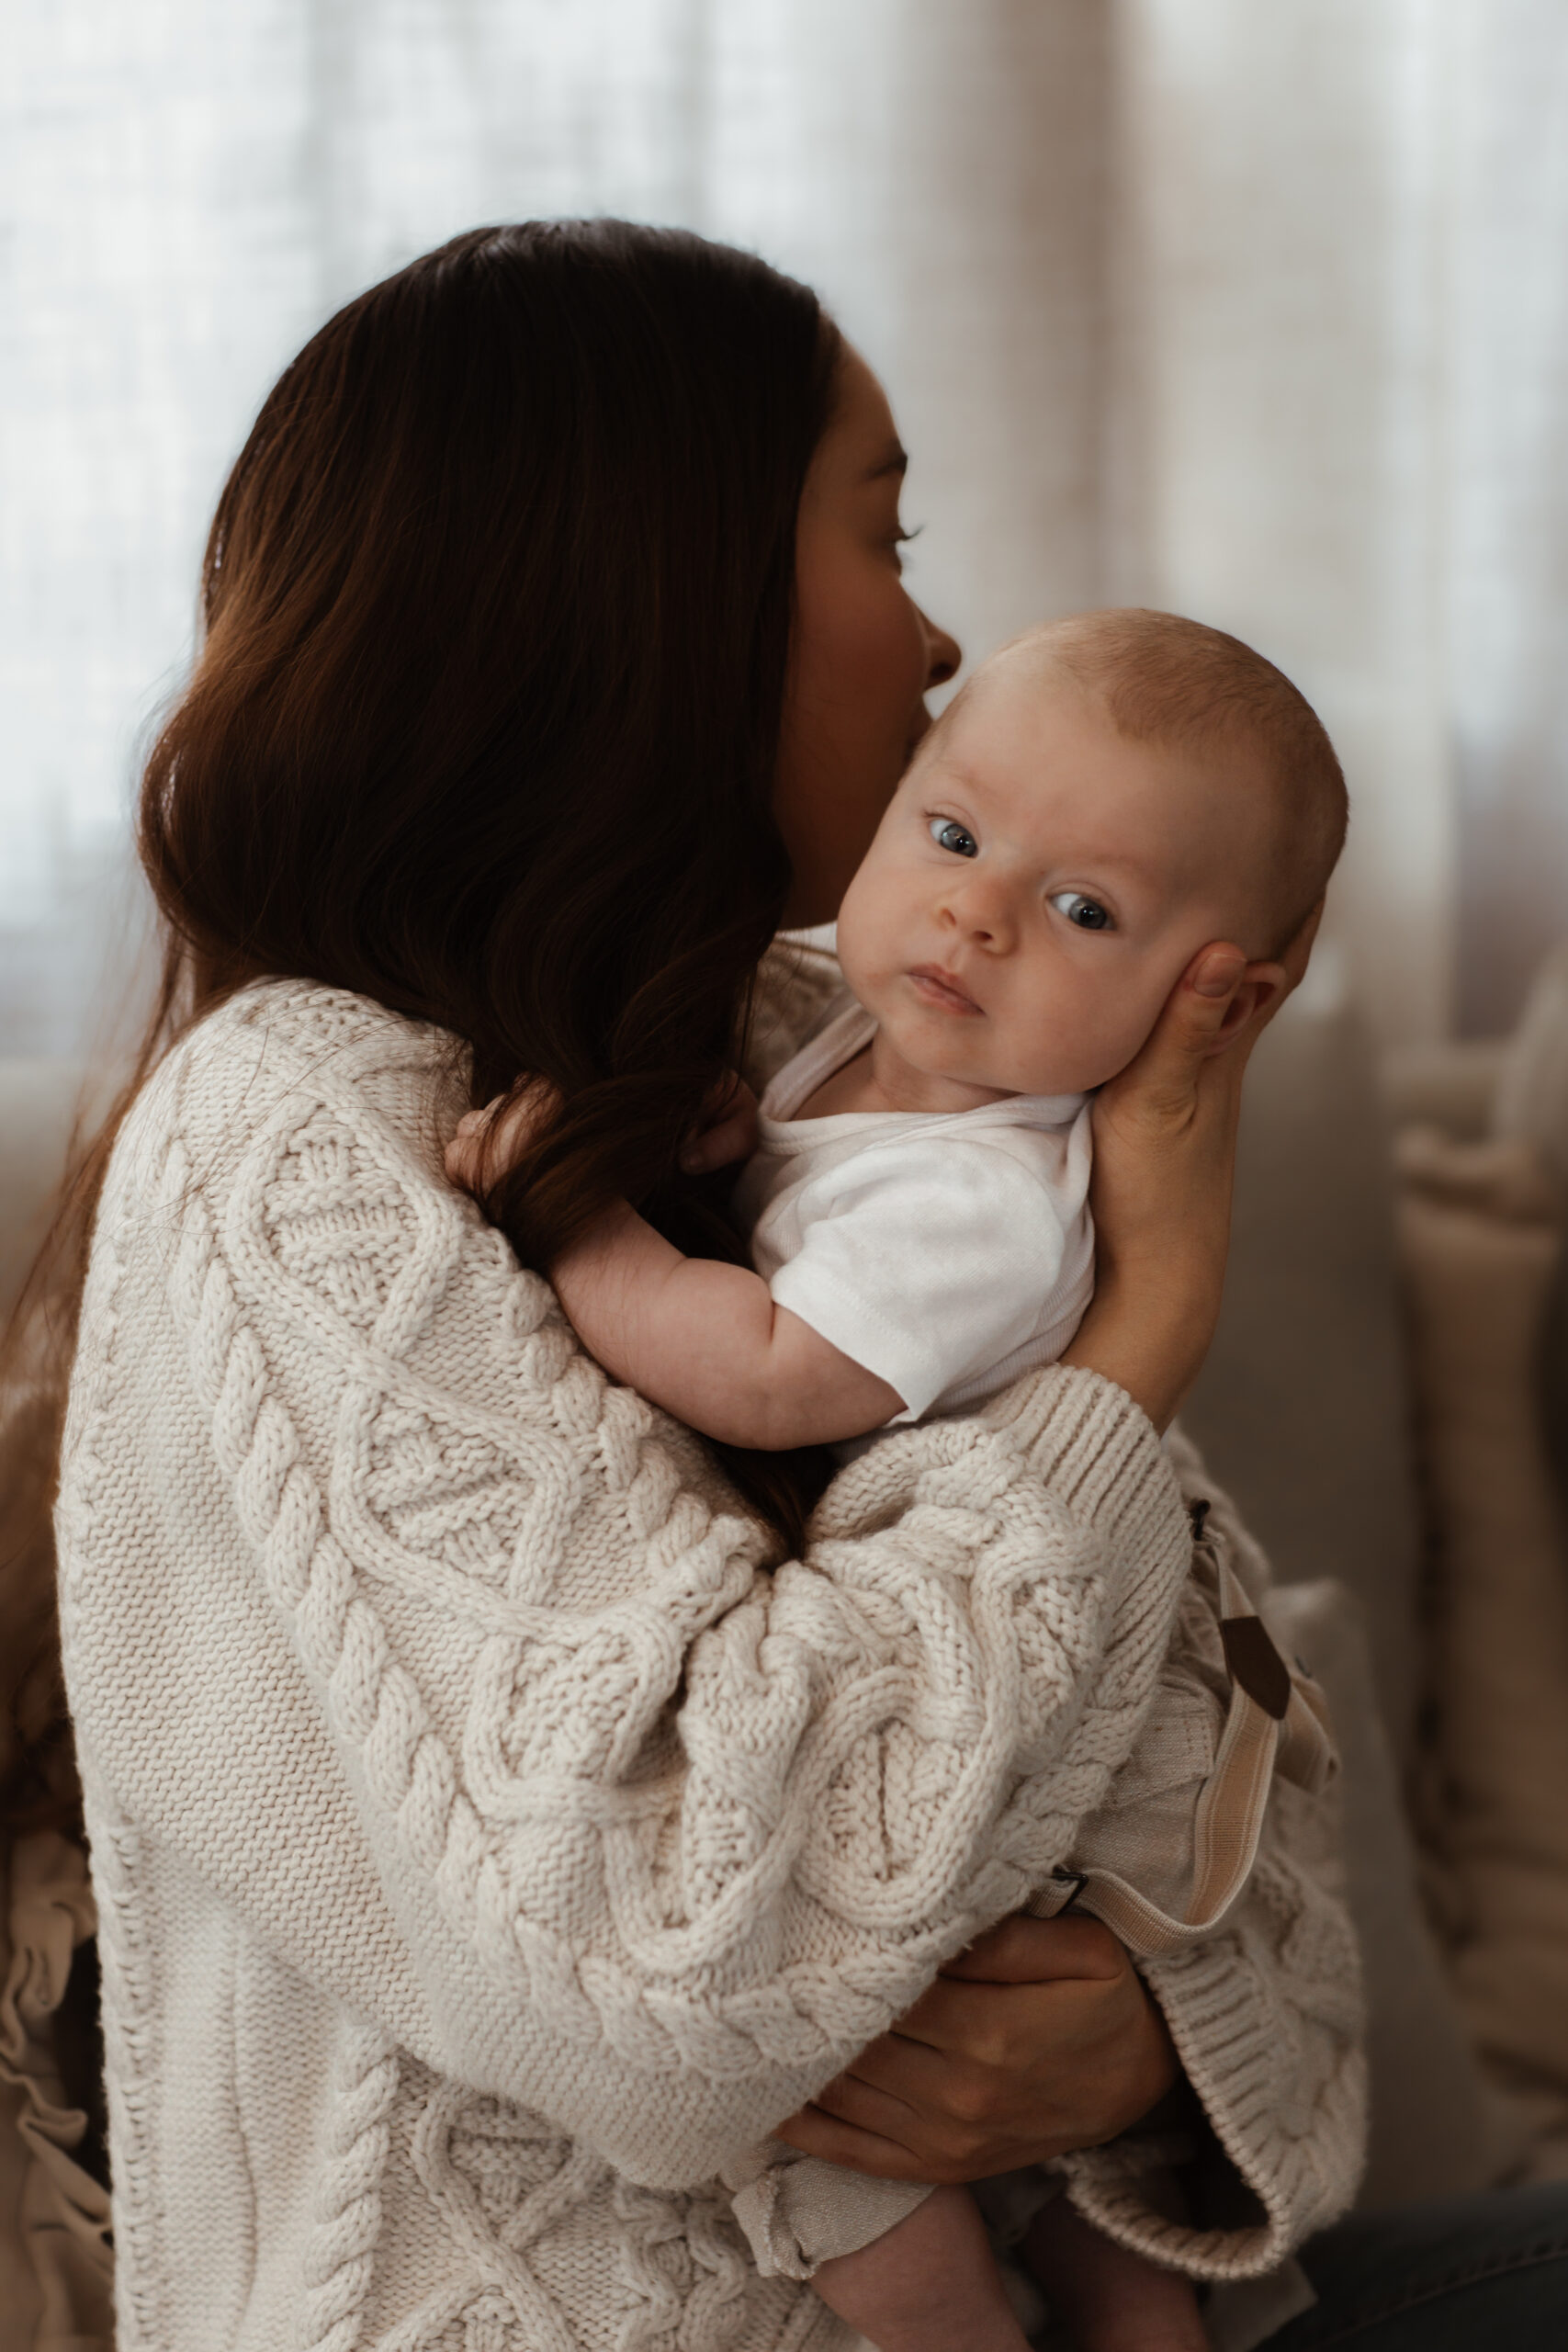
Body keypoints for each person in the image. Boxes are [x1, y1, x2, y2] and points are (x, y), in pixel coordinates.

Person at [16, 215, 1526, 2352]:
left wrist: (1143, 2029)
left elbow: (1212, 1773)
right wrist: (1140, 1333)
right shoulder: (304, 1137)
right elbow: (679, 1975)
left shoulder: (844, 1068)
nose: (934, 640)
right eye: (881, 531)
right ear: (656, 585)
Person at [443, 608, 1346, 2352]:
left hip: (1049, 1740)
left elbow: (774, 1376)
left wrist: (575, 1210)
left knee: (862, 2175)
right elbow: (791, 1167)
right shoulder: (860, 1051)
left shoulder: (990, 1203)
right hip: (970, 1688)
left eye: (1086, 910)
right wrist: (713, 1129)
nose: (979, 913)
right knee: (1035, 2205)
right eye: (951, 834)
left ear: (1202, 1006)